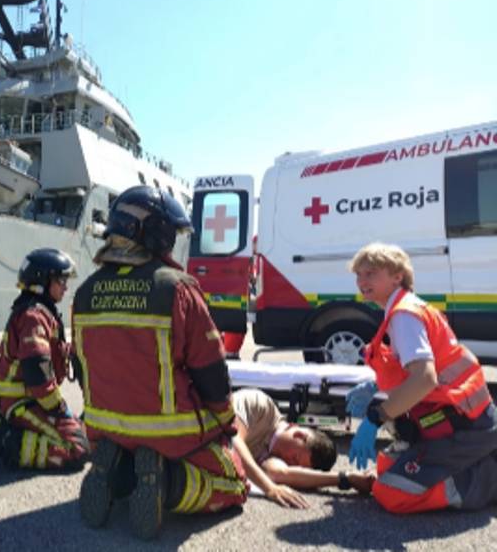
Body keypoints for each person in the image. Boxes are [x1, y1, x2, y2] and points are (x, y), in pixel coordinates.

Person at [73, 185, 251, 540]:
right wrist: (225, 422)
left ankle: (119, 470)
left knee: (134, 452)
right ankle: (167, 484)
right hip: (170, 431)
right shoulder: (178, 288)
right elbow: (210, 368)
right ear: (156, 234)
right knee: (234, 481)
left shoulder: (85, 292)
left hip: (103, 425)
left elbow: (81, 367)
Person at [345, 242, 497, 513]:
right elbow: (417, 370)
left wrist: (375, 418)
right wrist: (376, 386)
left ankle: (485, 478)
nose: (362, 280)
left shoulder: (404, 315)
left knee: (390, 493)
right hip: (464, 419)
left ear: (397, 276)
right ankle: (480, 458)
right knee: (385, 467)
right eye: (359, 274)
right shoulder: (404, 309)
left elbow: (424, 380)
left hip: (463, 427)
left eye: (371, 273)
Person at [0, 248, 90, 474]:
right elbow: (37, 373)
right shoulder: (34, 317)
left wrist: (71, 352)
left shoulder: (38, 312)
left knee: (81, 430)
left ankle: (3, 423)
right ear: (43, 281)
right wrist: (60, 409)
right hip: (27, 401)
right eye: (61, 280)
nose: (65, 286)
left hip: (24, 399)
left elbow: (45, 352)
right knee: (78, 448)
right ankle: (7, 443)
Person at [232, 388, 373, 499]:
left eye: (294, 465)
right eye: (295, 458)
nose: (288, 462)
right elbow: (233, 439)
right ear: (299, 435)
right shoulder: (260, 405)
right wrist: (269, 488)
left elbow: (282, 474)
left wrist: (345, 478)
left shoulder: (270, 455)